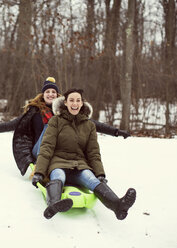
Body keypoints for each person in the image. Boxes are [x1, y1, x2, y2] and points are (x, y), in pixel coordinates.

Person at [0, 77, 130, 176]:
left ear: (58, 95)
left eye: (54, 92)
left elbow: (92, 123)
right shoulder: (34, 112)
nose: (50, 94)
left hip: (60, 151)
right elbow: (11, 124)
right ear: (43, 94)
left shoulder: (64, 111)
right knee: (49, 127)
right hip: (41, 150)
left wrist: (116, 132)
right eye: (47, 92)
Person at [32, 88, 136, 220]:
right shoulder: (55, 122)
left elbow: (93, 152)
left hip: (79, 166)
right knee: (58, 176)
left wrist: (100, 174)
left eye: (78, 100)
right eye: (71, 100)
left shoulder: (89, 125)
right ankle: (53, 204)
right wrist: (39, 172)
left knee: (91, 179)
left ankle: (118, 206)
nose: (74, 103)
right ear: (65, 103)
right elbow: (46, 147)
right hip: (58, 162)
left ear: (82, 104)